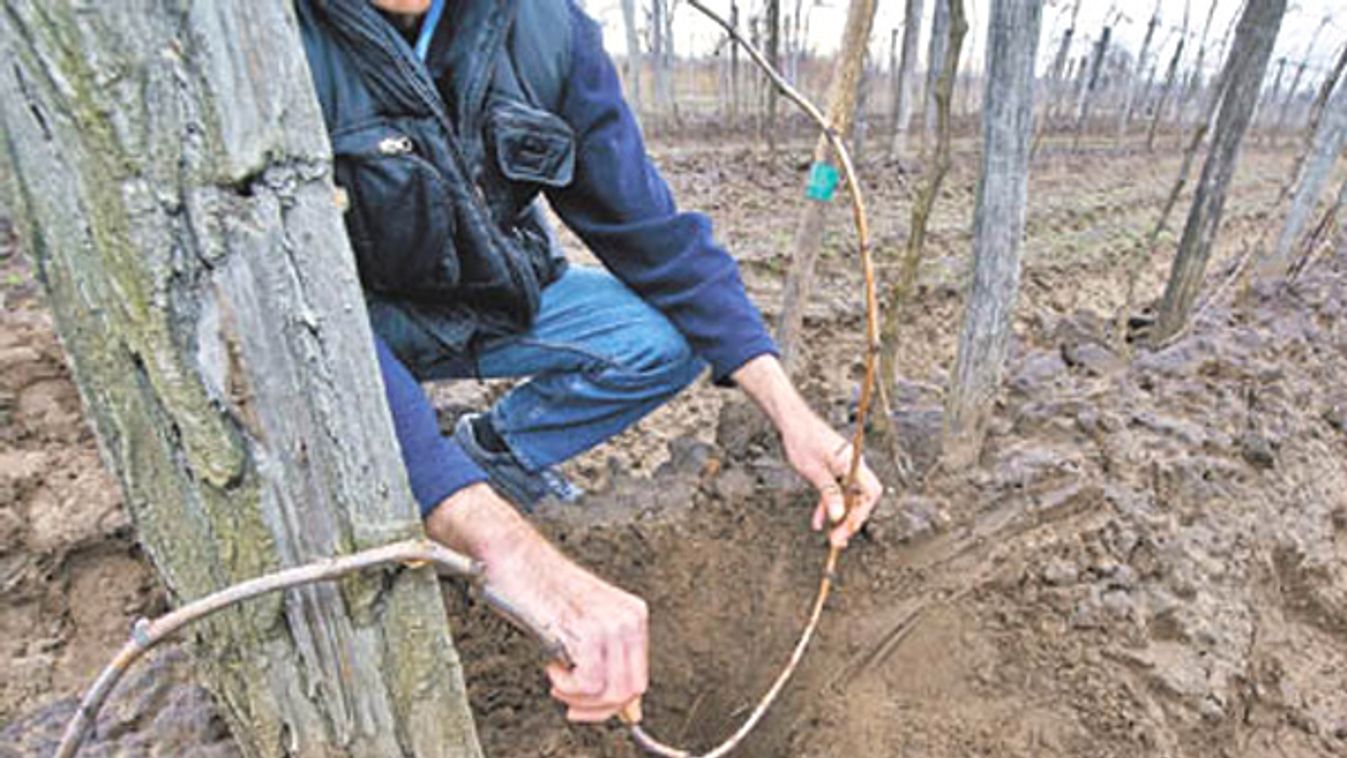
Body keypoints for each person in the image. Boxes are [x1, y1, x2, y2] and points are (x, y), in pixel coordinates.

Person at [298, 0, 882, 725]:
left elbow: (656, 238)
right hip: (355, 320)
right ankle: (427, 479)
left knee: (660, 340)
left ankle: (493, 451)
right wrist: (497, 541)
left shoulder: (543, 31)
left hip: (496, 295)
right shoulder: (269, 42)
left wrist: (789, 413)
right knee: (335, 435)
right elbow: (302, 317)